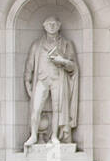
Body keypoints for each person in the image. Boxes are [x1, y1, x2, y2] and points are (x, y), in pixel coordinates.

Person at [24, 17, 79, 146]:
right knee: (36, 108)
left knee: (57, 109)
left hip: (58, 80)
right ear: (44, 26)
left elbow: (73, 66)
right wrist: (27, 82)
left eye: (54, 24)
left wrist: (62, 61)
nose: (52, 26)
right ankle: (33, 135)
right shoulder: (37, 45)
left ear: (59, 26)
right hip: (42, 80)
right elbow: (29, 65)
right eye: (49, 24)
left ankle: (54, 136)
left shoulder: (66, 44)